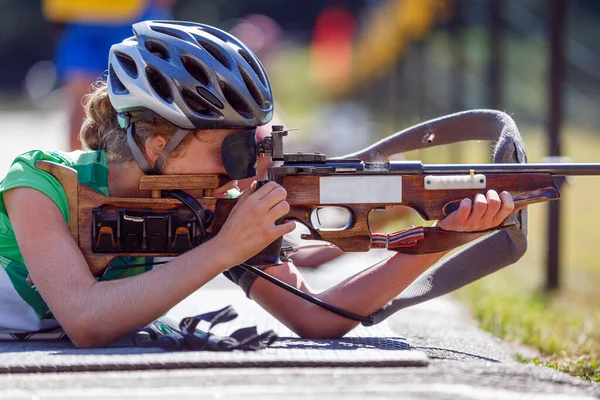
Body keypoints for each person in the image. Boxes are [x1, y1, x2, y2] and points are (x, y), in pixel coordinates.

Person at [0, 21, 515, 348]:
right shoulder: (40, 183)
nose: (245, 168)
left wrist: (441, 239)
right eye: (231, 149)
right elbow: (86, 322)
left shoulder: (214, 204)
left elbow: (317, 319)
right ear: (157, 143)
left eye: (253, 146)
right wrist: (224, 249)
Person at [43, 0, 176, 151]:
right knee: (138, 102)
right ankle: (137, 167)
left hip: (80, 14)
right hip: (128, 14)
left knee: (79, 102)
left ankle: (75, 170)